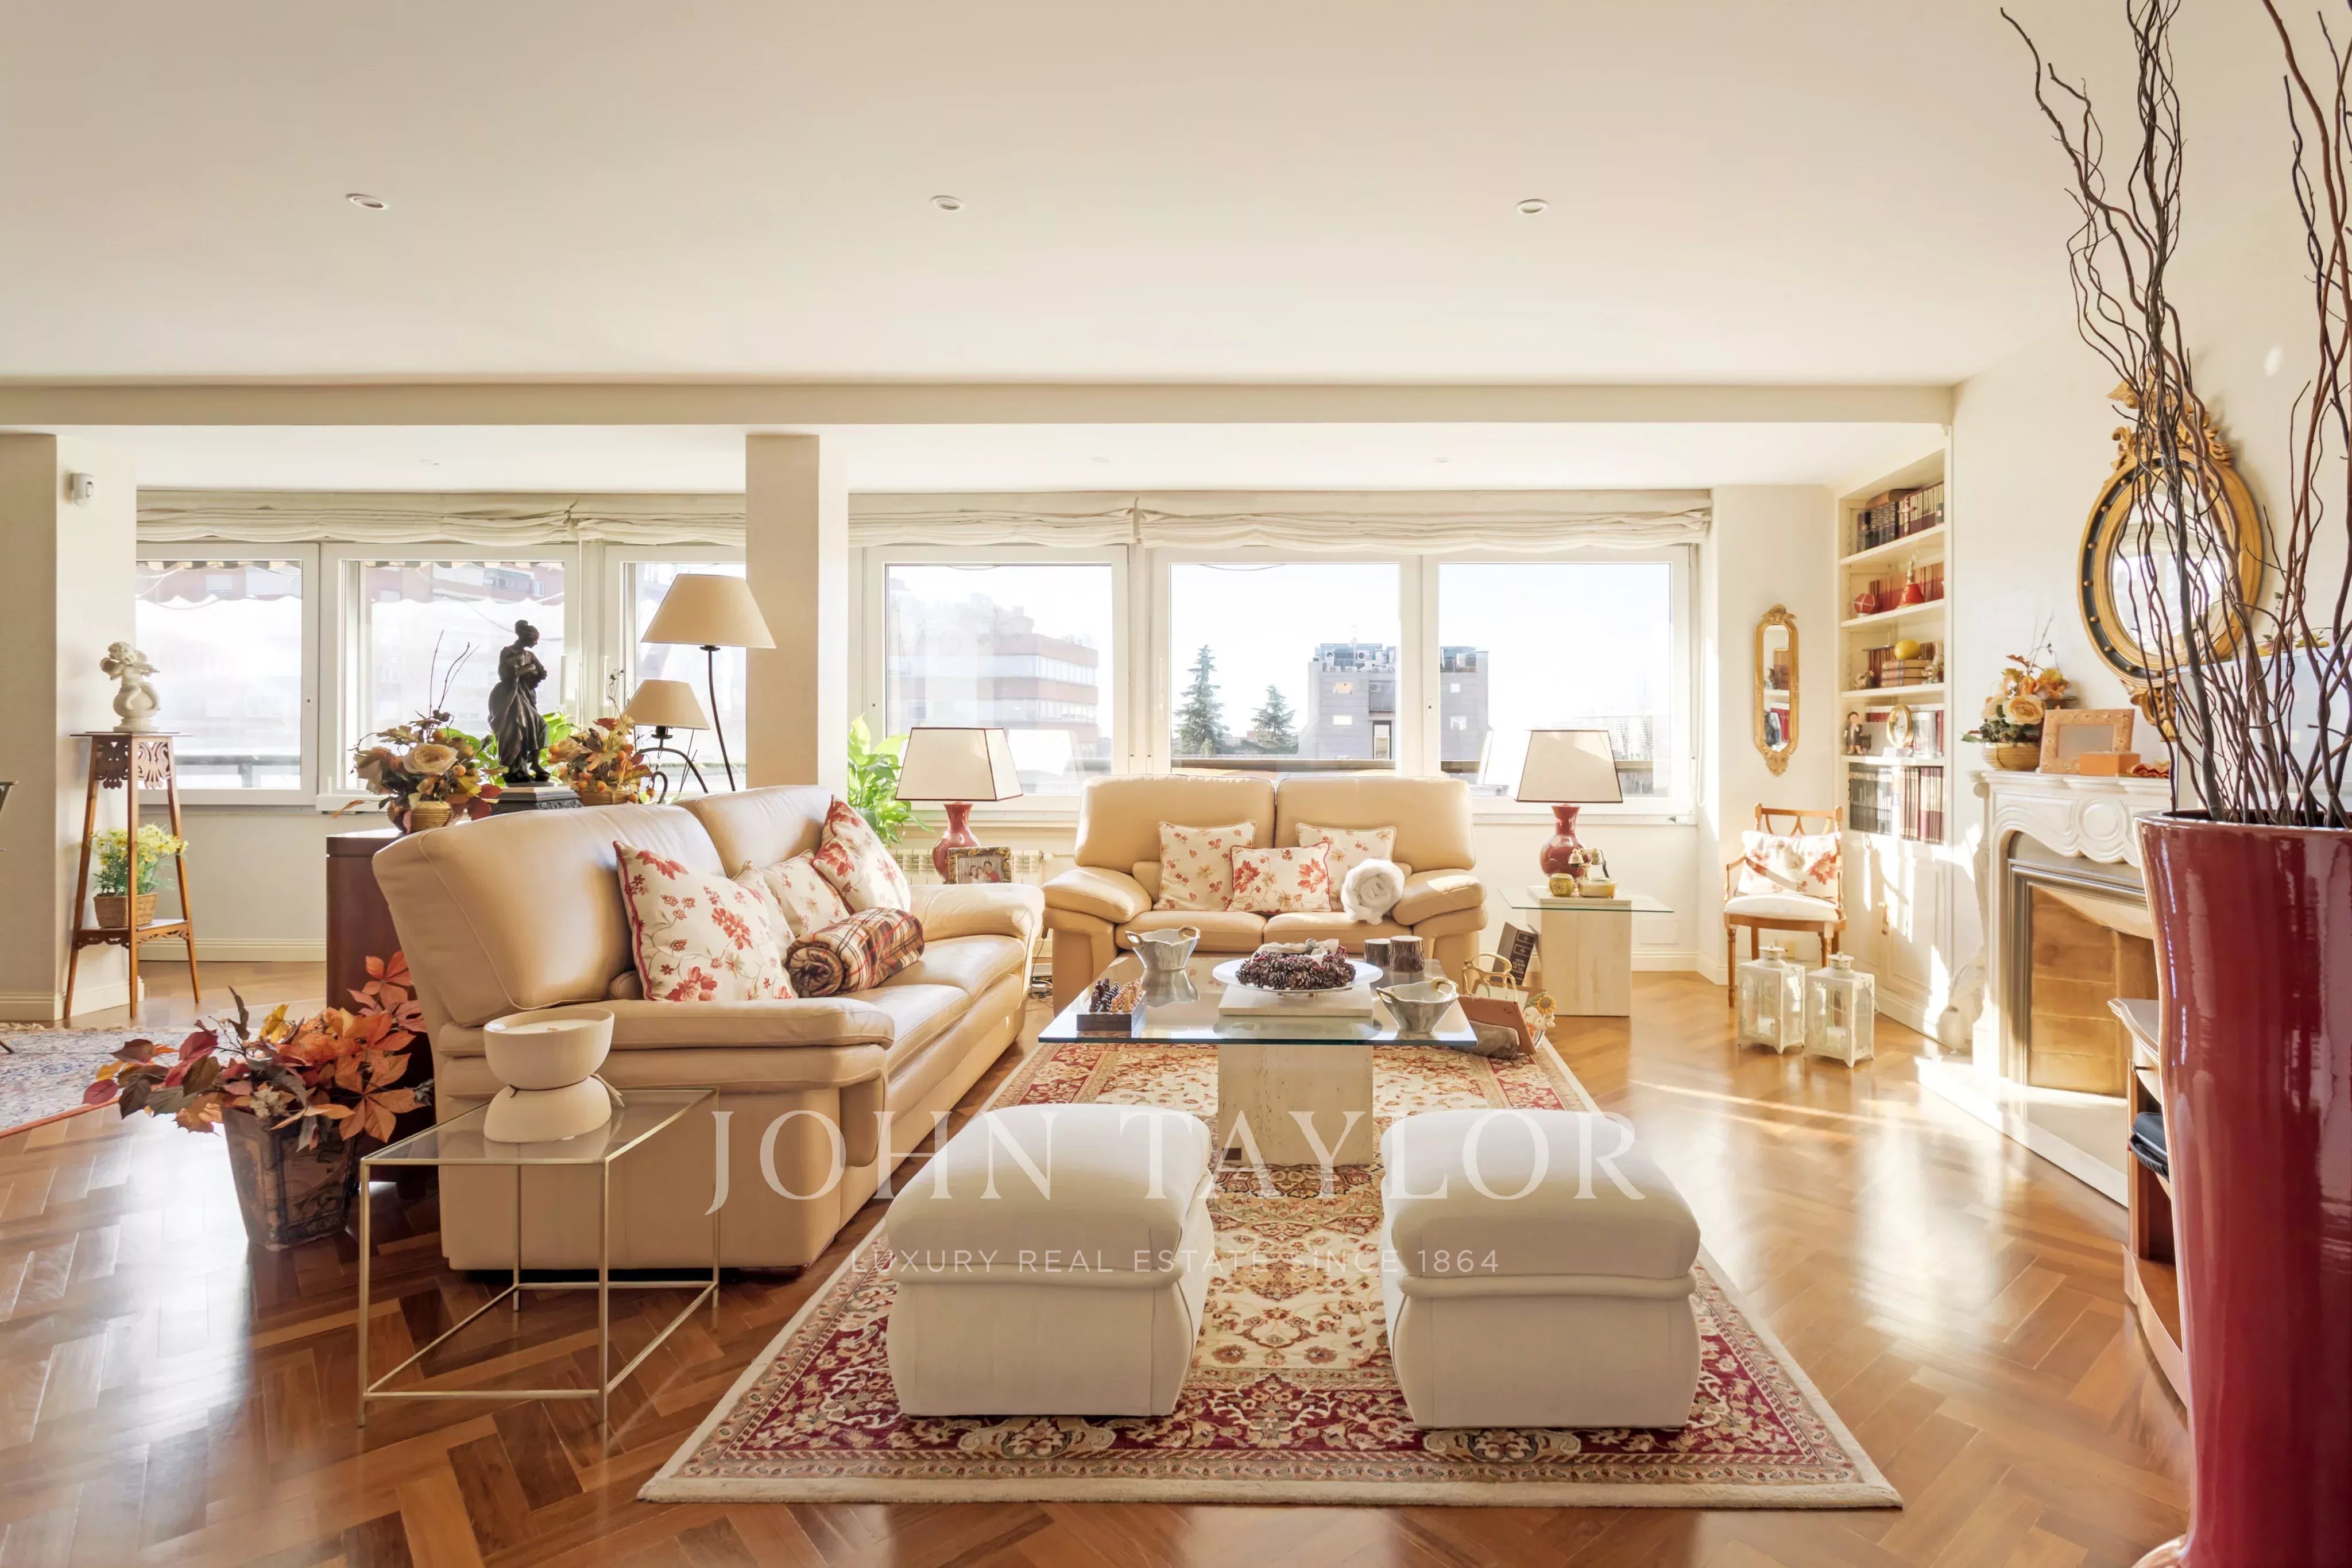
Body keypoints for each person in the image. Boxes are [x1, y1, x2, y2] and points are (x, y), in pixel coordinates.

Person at [489, 621, 551, 783]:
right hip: (510, 694)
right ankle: (516, 769)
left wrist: (533, 670)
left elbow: (542, 673)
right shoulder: (507, 651)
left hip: (526, 694)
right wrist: (529, 668)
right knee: (517, 728)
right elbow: (505, 674)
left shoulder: (530, 655)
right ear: (526, 637)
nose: (536, 644)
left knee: (541, 725)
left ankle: (535, 764)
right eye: (534, 640)